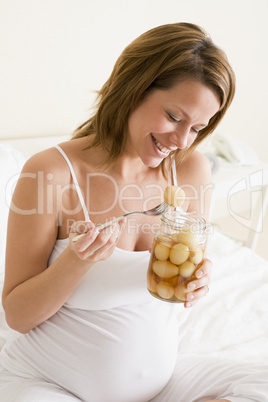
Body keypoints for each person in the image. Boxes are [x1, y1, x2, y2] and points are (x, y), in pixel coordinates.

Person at [0, 22, 267, 402]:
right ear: (133, 88)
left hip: (163, 384)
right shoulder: (52, 172)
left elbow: (185, 272)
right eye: (174, 117)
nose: (181, 141)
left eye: (197, 128)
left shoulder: (191, 171)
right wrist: (75, 261)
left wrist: (200, 278)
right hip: (50, 383)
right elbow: (17, 315)